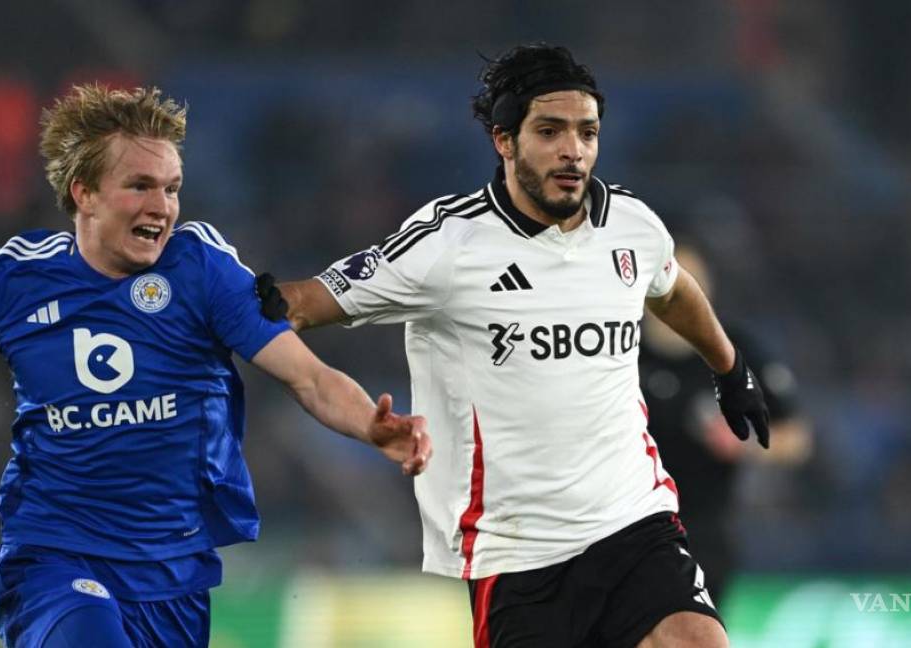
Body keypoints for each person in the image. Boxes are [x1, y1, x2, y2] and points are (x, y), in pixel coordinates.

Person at [257, 43, 768, 648]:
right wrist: (211, 293)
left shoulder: (631, 224)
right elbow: (302, 303)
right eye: (549, 131)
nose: (572, 150)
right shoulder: (447, 244)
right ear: (504, 140)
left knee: (698, 641)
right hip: (516, 551)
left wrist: (731, 370)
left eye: (586, 132)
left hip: (633, 521)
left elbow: (671, 289)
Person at [0, 84, 431, 647]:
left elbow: (308, 376)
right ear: (83, 192)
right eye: (139, 186)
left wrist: (371, 425)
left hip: (173, 574)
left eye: (171, 188)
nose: (161, 207)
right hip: (52, 558)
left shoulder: (201, 270)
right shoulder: (14, 279)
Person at [640, 243, 812, 606]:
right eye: (667, 281)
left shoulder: (734, 351)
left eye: (690, 284)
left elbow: (796, 438)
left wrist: (744, 445)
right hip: (621, 530)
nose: (679, 295)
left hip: (703, 535)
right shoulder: (617, 347)